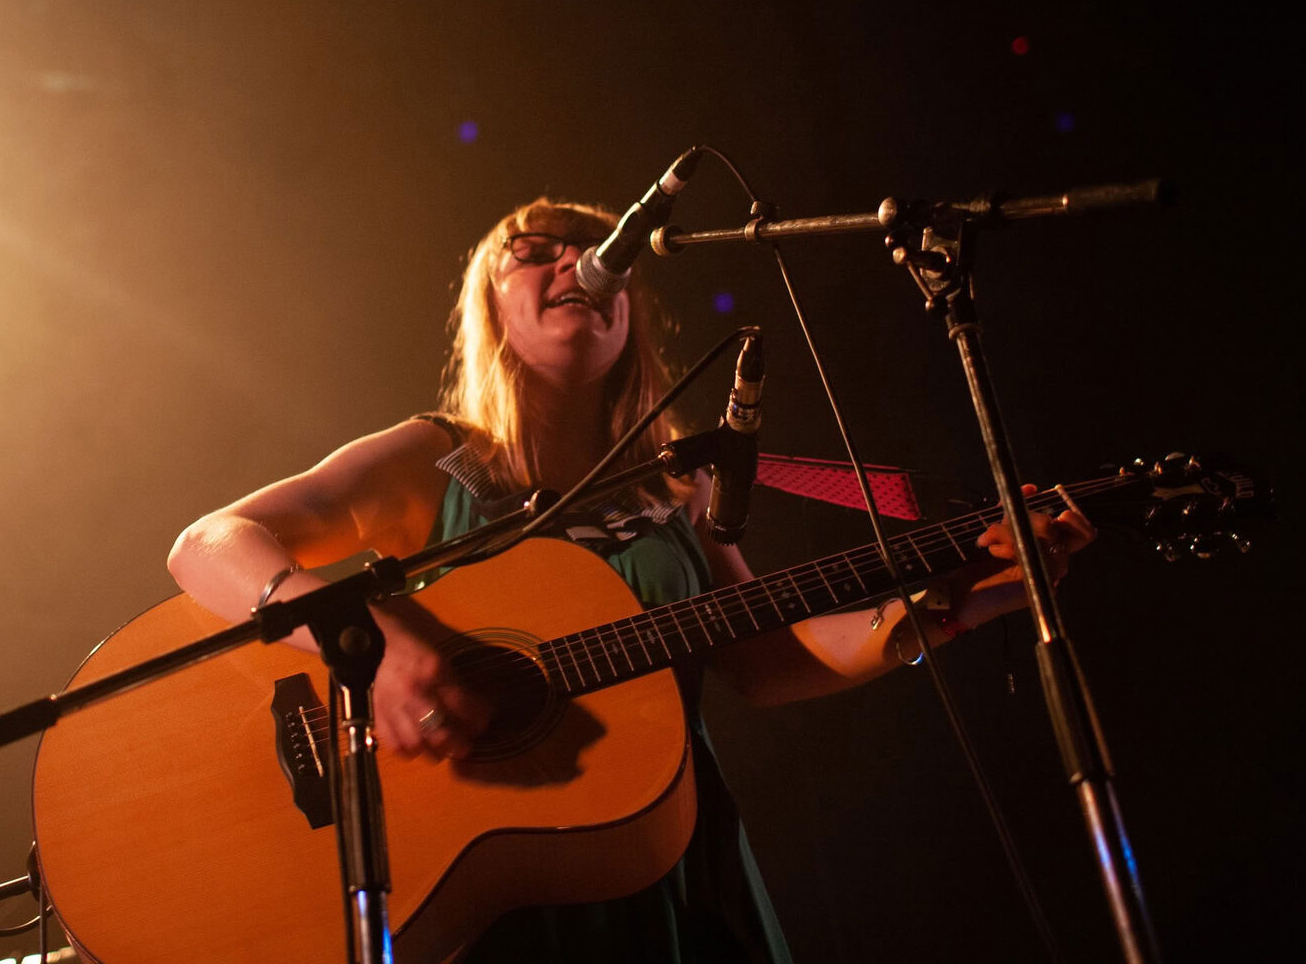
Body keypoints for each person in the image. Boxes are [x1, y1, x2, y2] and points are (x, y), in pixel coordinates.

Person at [167, 197, 1093, 963]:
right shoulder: (436, 459)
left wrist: (987, 591)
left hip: (672, 871)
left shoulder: (679, 485)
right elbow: (210, 542)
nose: (578, 262)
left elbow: (767, 659)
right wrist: (366, 646)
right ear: (488, 304)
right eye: (537, 251)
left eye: (597, 249)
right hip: (494, 889)